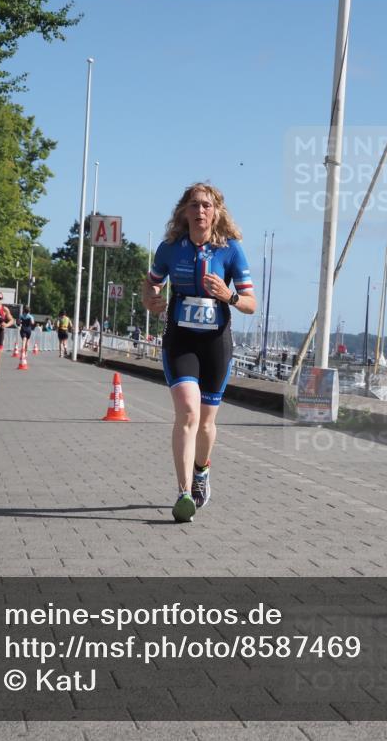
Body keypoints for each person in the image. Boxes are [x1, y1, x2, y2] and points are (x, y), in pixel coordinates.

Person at [143, 182, 256, 523]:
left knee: (206, 423)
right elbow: (152, 283)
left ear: (217, 212)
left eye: (207, 205)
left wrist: (228, 295)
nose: (201, 211)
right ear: (185, 211)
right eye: (195, 205)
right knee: (188, 412)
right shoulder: (170, 248)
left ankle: (202, 471)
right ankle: (183, 493)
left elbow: (251, 304)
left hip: (215, 343)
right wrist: (150, 299)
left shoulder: (230, 250)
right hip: (180, 340)